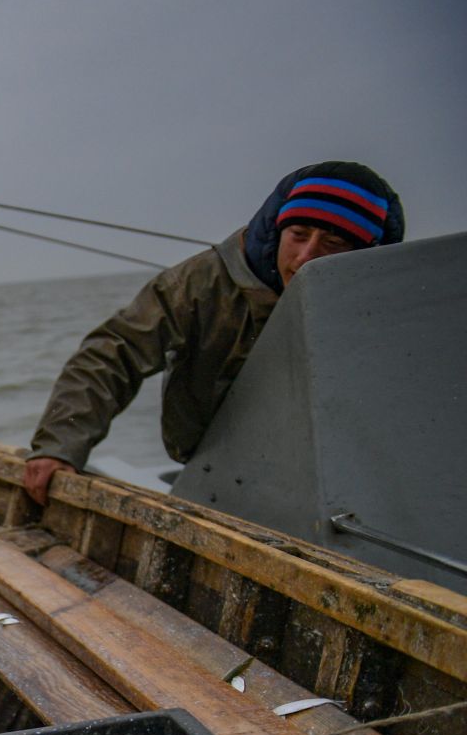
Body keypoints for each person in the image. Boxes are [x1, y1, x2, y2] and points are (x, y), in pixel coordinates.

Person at [24, 161, 404, 505]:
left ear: (364, 253)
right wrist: (58, 446)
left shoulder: (394, 298)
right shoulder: (202, 283)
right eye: (299, 234)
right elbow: (113, 351)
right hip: (220, 469)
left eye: (334, 244)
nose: (306, 256)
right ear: (278, 229)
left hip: (343, 475)